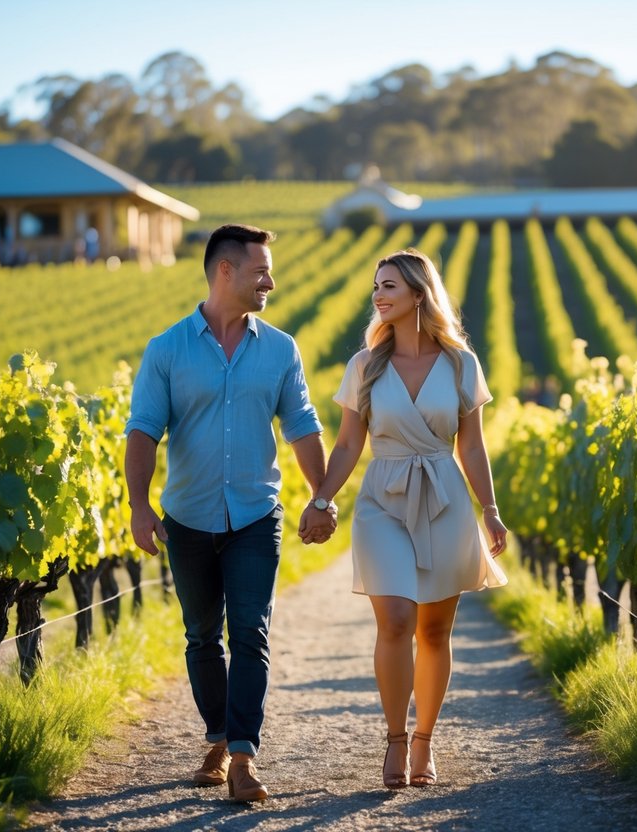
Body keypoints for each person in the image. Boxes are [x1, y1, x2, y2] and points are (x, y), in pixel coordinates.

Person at [124, 223, 336, 803]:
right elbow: (143, 431)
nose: (270, 279)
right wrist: (140, 507)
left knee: (250, 631)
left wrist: (321, 497)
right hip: (187, 518)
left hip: (253, 516)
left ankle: (242, 755)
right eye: (260, 270)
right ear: (225, 271)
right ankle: (217, 737)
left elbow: (302, 428)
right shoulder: (167, 349)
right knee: (200, 637)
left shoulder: (280, 349)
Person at [304, 248, 508, 790]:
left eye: (390, 285)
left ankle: (424, 740)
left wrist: (490, 510)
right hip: (384, 498)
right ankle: (395, 740)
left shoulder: (462, 364)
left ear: (419, 293)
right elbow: (348, 445)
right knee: (394, 618)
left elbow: (473, 447)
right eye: (376, 286)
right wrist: (321, 499)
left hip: (445, 497)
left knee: (435, 629)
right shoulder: (364, 366)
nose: (379, 295)